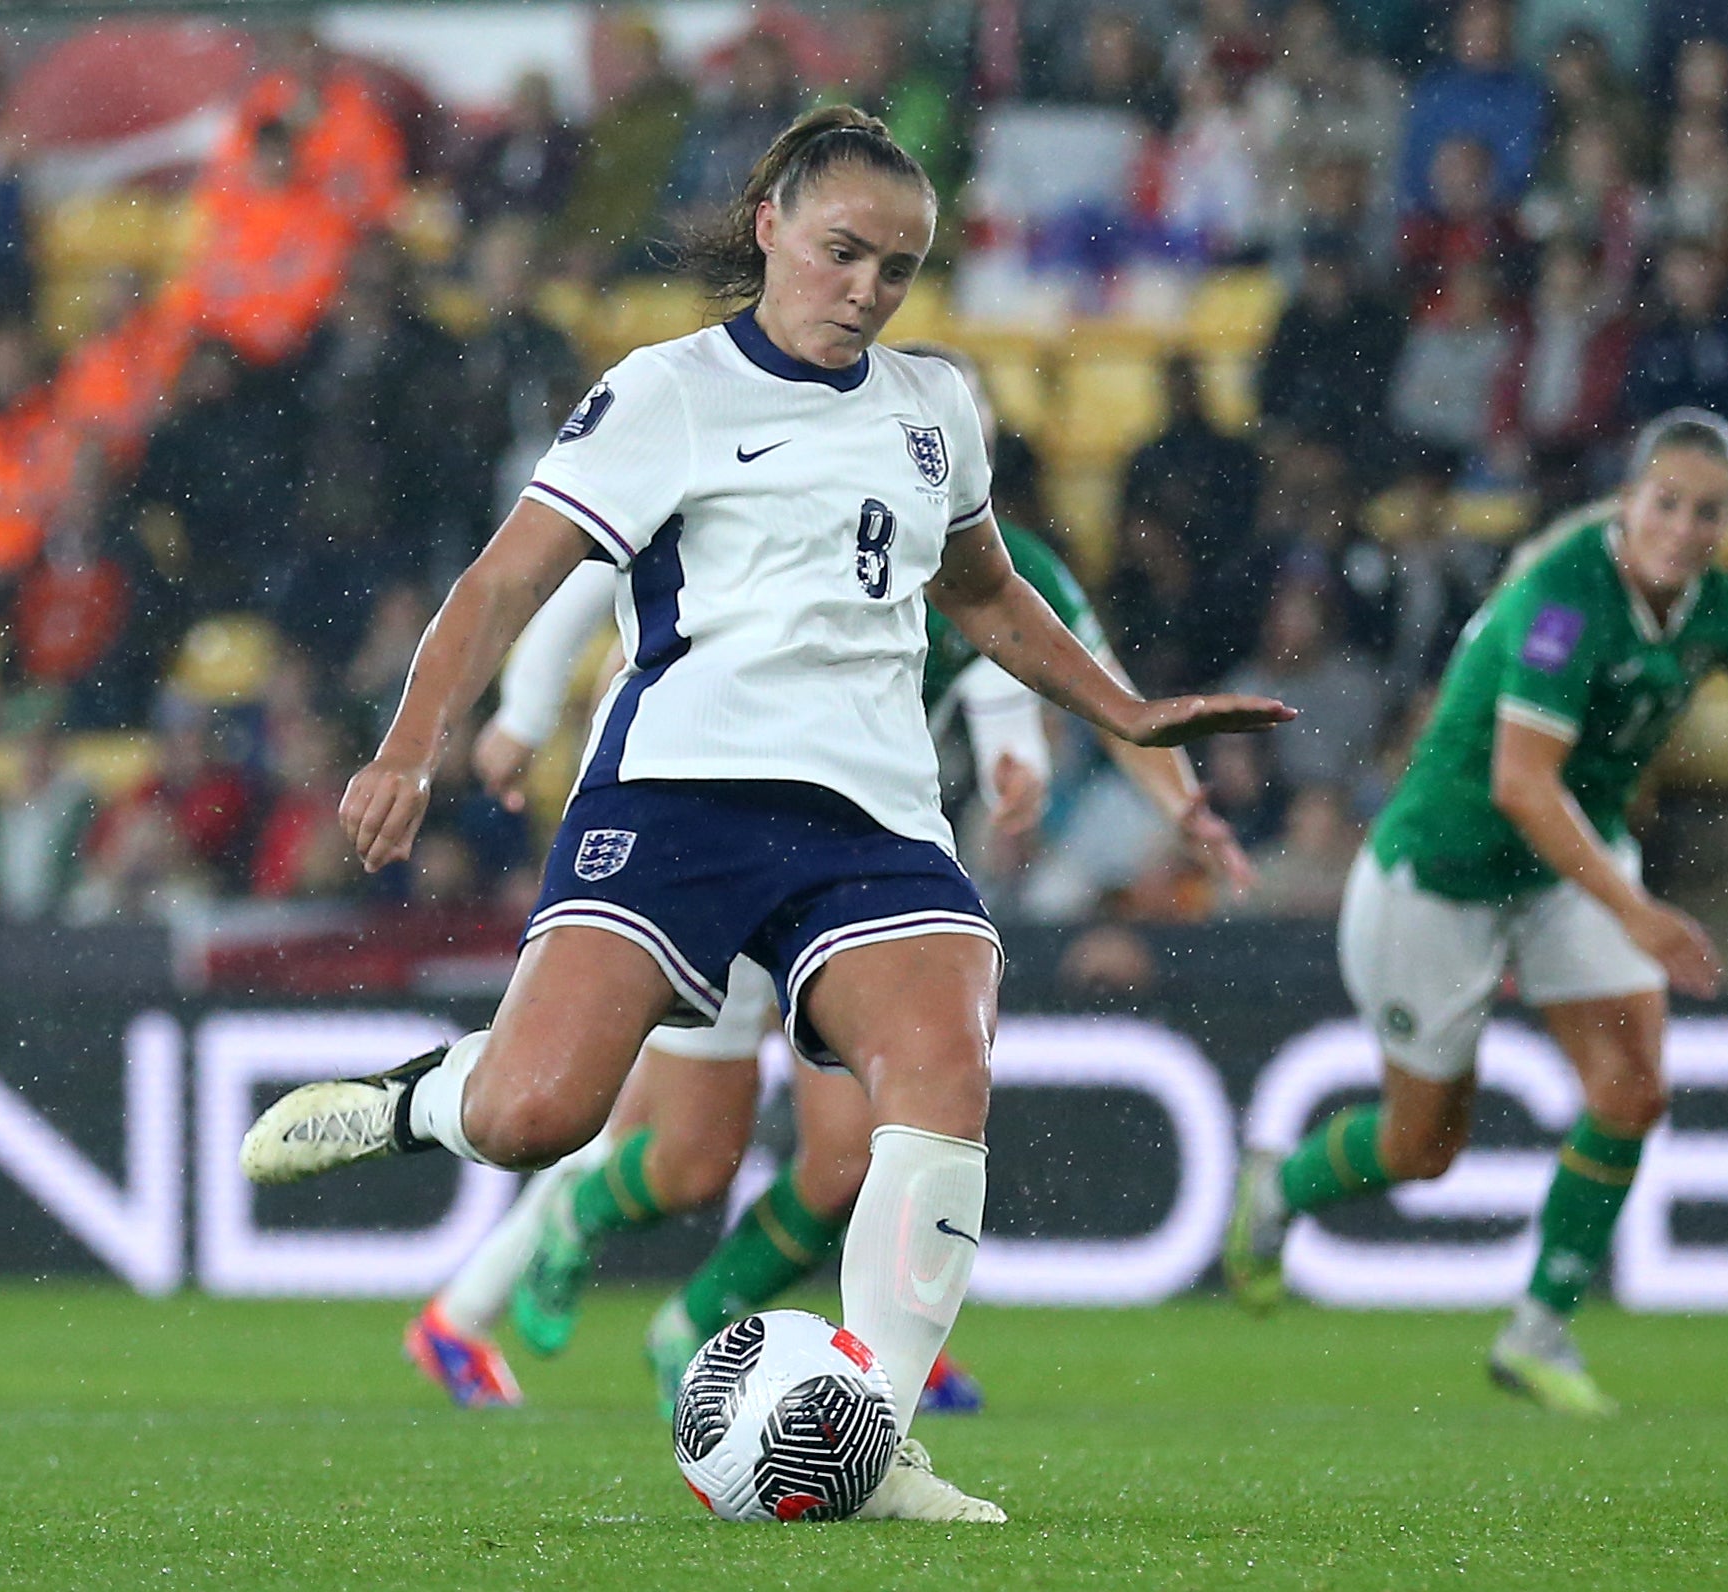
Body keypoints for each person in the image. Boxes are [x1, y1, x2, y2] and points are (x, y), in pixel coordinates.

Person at [236, 106, 1290, 1522]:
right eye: (845, 252)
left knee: (944, 1059)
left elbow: (983, 593)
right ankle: (421, 1100)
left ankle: (882, 1438)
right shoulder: (666, 392)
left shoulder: (934, 410)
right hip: (678, 791)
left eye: (899, 269)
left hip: (870, 811)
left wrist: (1126, 713)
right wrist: (412, 746)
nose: (866, 290)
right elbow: (502, 584)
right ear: (770, 228)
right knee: (543, 1113)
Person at [404, 343, 1253, 1417]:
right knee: (674, 1151)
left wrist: (1113, 787)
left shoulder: (998, 558)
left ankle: (724, 1330)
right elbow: (576, 571)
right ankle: (498, 1279)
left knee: (849, 1150)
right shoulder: (779, 481)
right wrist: (524, 717)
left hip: (847, 861)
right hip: (697, 830)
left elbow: (1027, 665)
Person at [1223, 410, 1728, 1415]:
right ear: (1626, 500)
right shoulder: (1561, 600)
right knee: (1420, 1147)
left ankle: (1537, 1329)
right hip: (1439, 875)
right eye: (1664, 502)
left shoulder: (1722, 609)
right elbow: (1521, 786)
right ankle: (1276, 1189)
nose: (1680, 526)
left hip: (1564, 873)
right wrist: (1641, 910)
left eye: (1705, 511)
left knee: (1631, 1088)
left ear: (1727, 523)